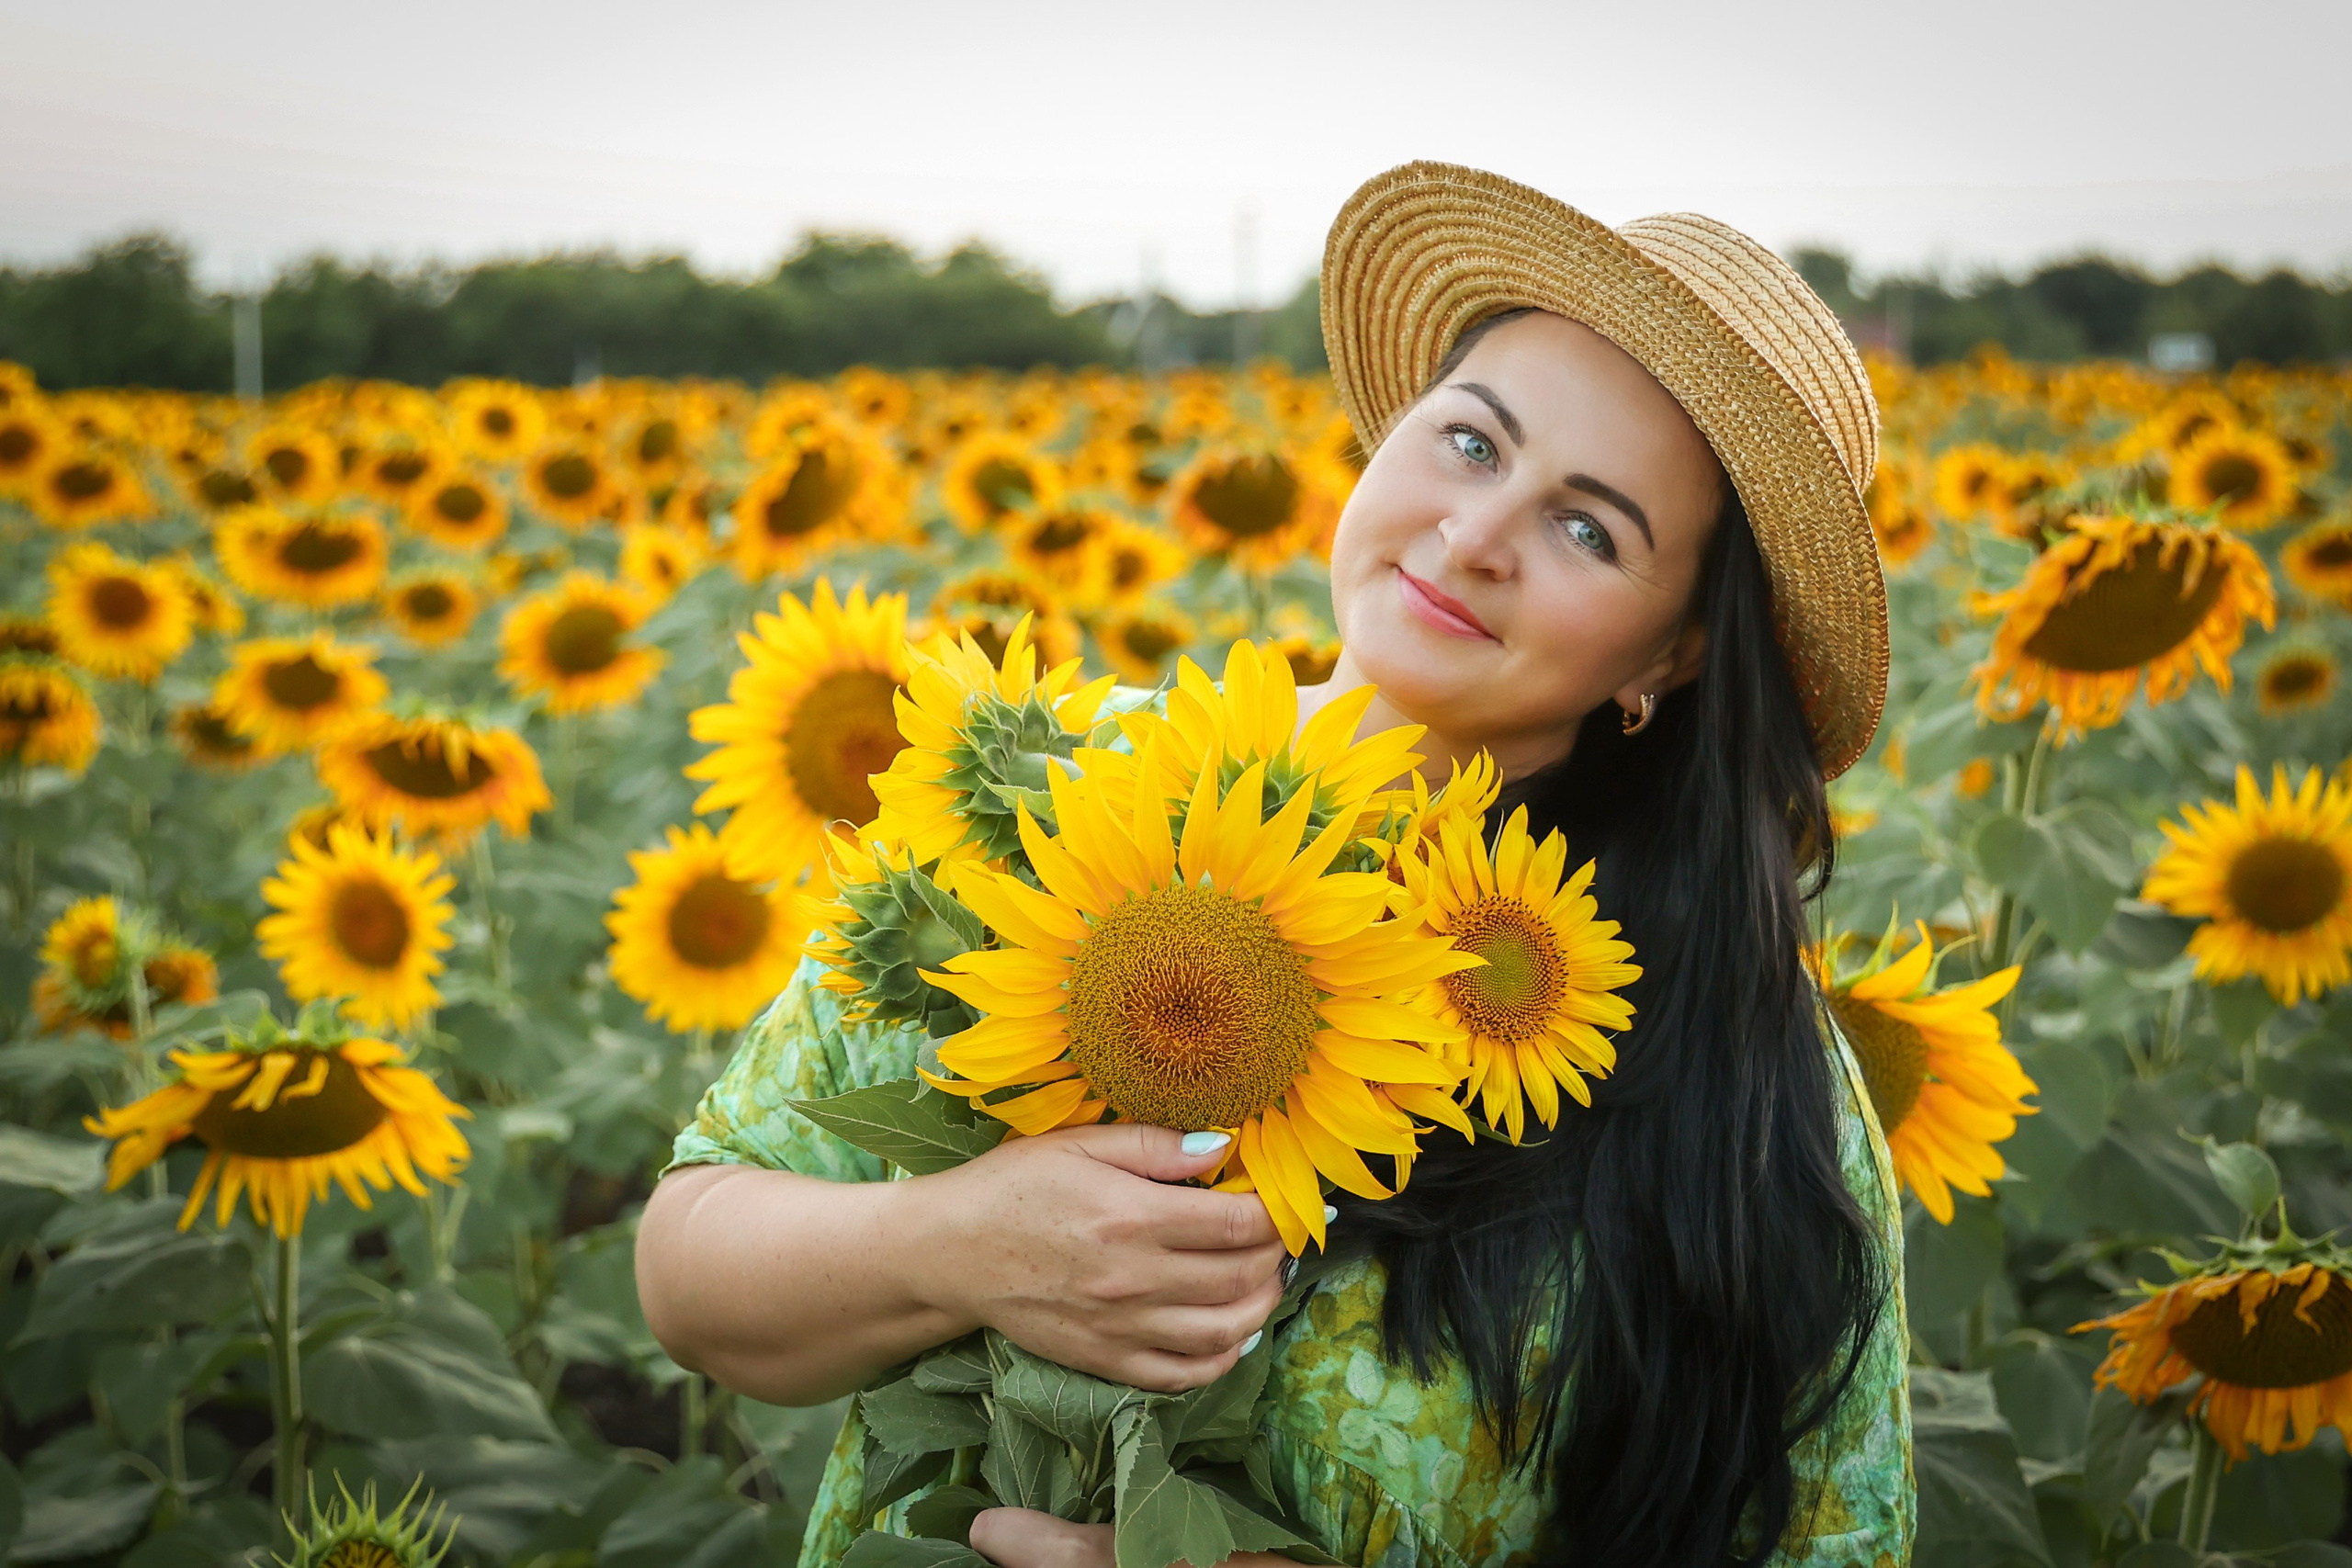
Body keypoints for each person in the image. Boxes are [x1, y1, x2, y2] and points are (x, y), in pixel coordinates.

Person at [637, 162, 1911, 1568]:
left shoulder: (1736, 1058)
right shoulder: (1054, 789)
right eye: (1474, 442)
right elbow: (692, 1266)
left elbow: (1827, 1539)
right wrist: (953, 1245)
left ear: (1672, 652)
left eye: (1586, 528)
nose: (1474, 536)